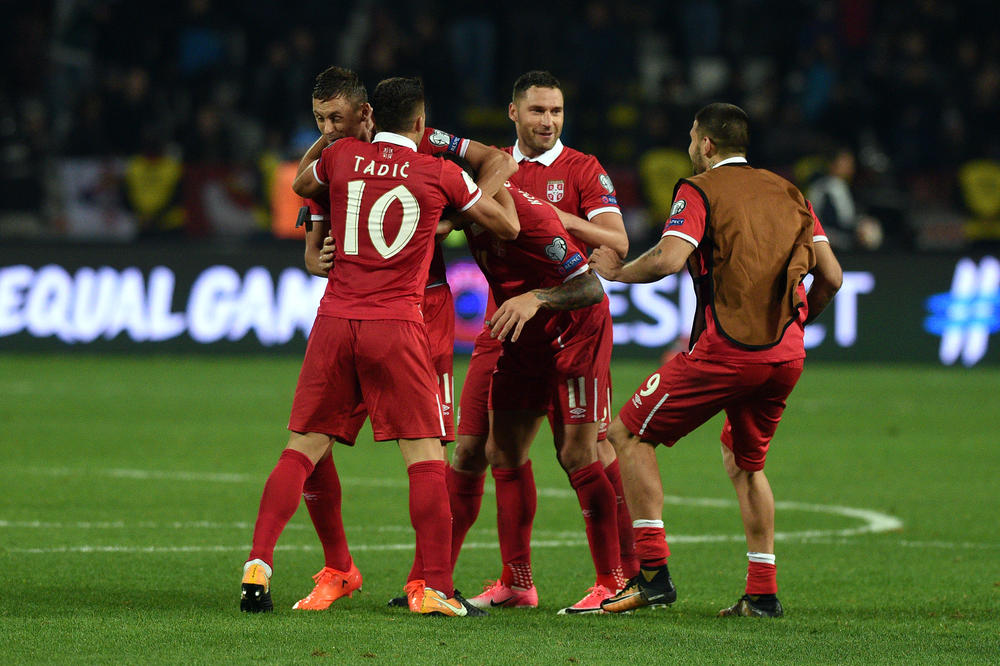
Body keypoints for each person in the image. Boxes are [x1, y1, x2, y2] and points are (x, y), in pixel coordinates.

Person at [240, 76, 519, 617]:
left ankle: (258, 563)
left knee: (300, 449)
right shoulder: (437, 170)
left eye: (333, 120)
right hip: (397, 324)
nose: (330, 128)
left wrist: (327, 149)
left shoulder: (341, 158)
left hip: (336, 319)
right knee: (425, 459)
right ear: (419, 123)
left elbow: (300, 184)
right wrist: (449, 216)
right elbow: (506, 223)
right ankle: (432, 585)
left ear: (368, 114)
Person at [589, 103, 843, 617]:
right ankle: (763, 593)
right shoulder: (790, 191)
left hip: (727, 352)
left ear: (706, 144)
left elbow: (668, 258)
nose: (690, 148)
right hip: (785, 357)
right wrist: (797, 327)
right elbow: (832, 276)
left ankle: (653, 575)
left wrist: (615, 273)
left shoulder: (698, 189)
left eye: (691, 139)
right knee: (746, 465)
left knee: (628, 435)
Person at [451, 71, 635, 613]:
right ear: (514, 113)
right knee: (481, 449)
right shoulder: (491, 171)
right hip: (504, 326)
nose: (548, 121)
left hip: (570, 320)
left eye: (555, 111)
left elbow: (617, 243)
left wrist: (556, 219)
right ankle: (512, 580)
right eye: (537, 111)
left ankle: (622, 574)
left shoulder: (582, 168)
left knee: (585, 450)